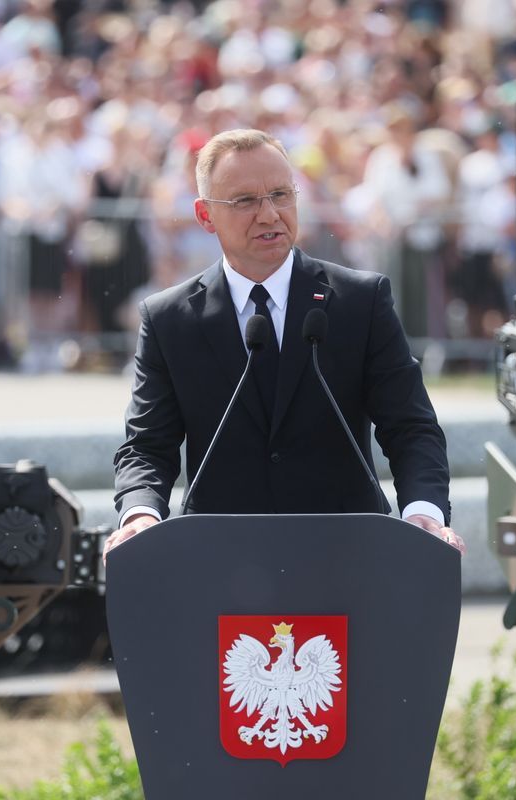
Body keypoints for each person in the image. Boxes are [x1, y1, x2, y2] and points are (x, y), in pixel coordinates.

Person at [105, 129, 463, 559]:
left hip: (348, 557)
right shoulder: (168, 319)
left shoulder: (360, 300)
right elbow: (147, 446)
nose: (270, 214)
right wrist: (141, 514)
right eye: (244, 201)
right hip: (220, 561)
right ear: (204, 215)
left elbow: (411, 427)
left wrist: (423, 511)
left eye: (280, 194)